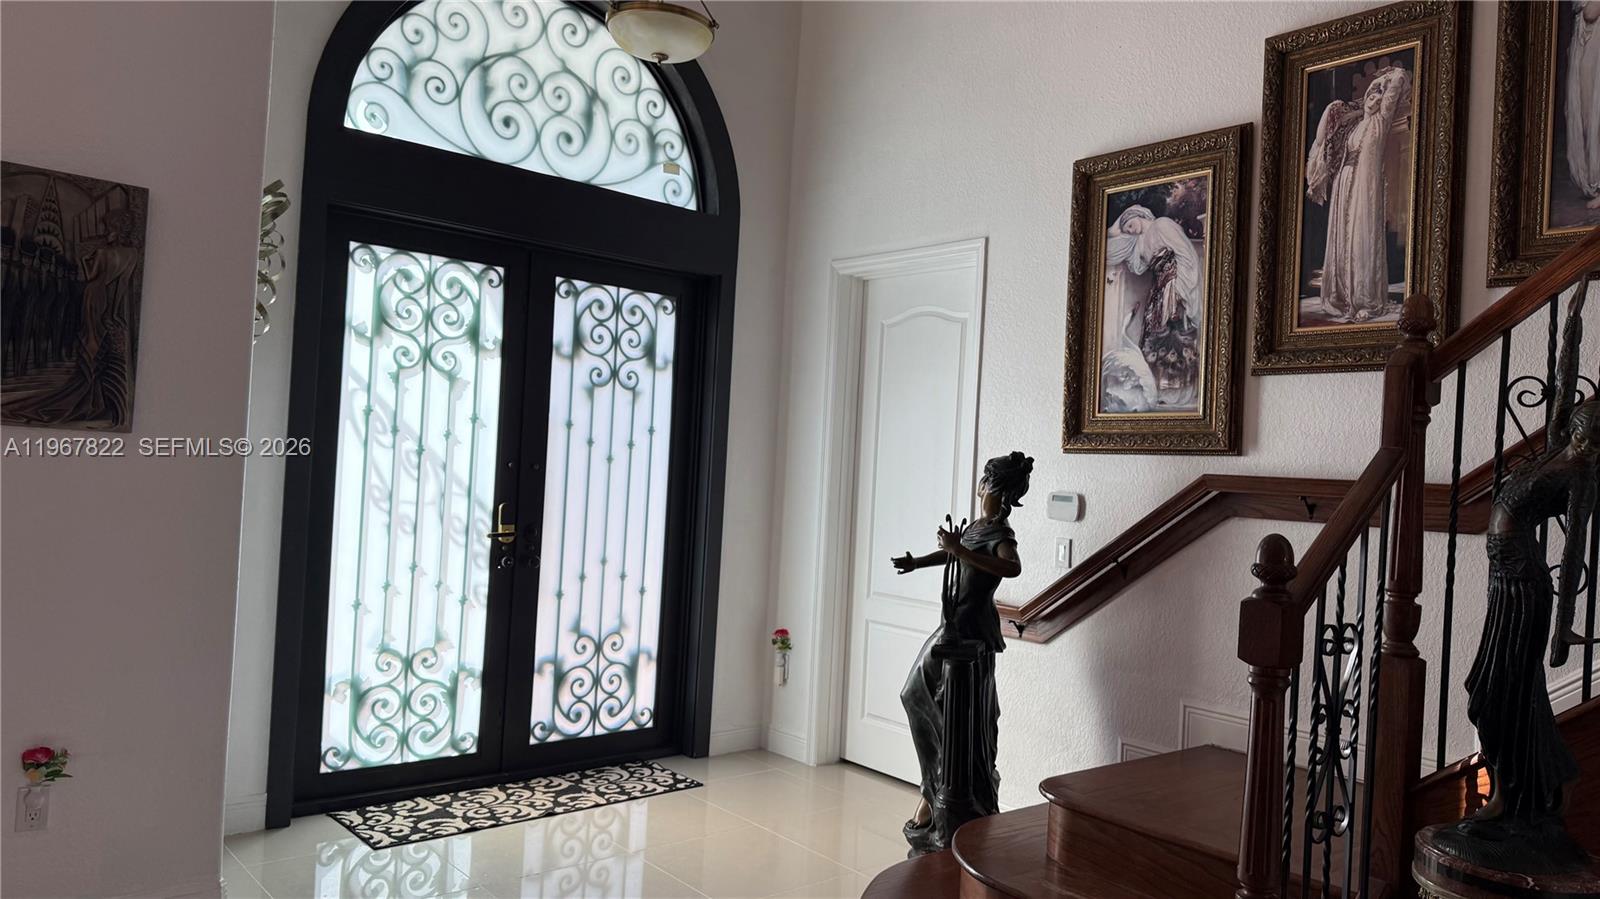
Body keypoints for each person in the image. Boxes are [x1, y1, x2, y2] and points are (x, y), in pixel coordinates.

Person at [1440, 286, 1600, 874]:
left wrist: (1562, 630)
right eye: (1581, 423)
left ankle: (1518, 798)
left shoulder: (1583, 476)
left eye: (1590, 429)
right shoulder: (1559, 447)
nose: (1581, 430)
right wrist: (1574, 315)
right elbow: (1563, 381)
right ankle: (1532, 788)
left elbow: (1575, 548)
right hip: (1504, 578)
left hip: (1525, 585)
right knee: (1499, 688)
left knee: (1500, 690)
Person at [889, 451, 1032, 854]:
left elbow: (1012, 567)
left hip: (970, 635)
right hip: (953, 627)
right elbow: (954, 553)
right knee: (920, 698)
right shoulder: (977, 528)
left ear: (998, 491)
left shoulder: (1001, 533)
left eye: (986, 482)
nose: (980, 488)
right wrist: (918, 562)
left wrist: (961, 550)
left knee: (928, 702)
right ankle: (933, 788)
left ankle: (938, 794)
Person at [1305, 65, 1411, 323]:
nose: (1374, 99)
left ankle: (1364, 298)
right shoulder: (1355, 126)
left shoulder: (1380, 121)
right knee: (1342, 236)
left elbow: (1399, 79)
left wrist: (1387, 76)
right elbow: (1328, 140)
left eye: (1379, 95)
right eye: (1371, 95)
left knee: (1361, 235)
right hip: (1345, 181)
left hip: (1365, 185)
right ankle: (1340, 296)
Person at [1103, 205, 1202, 409]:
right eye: (1127, 229)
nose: (1130, 230)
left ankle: (1178, 390)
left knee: (1175, 336)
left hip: (1173, 286)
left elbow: (1185, 254)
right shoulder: (1141, 242)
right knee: (1155, 336)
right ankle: (1160, 389)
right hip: (1158, 290)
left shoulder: (1162, 225)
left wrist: (1180, 288)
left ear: (1139, 215)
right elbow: (1137, 265)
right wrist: (1118, 229)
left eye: (1130, 224)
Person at [1566, 0, 1600, 210]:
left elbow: (1591, 12)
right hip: (1588, 42)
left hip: (1595, 44)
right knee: (1588, 114)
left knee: (1594, 114)